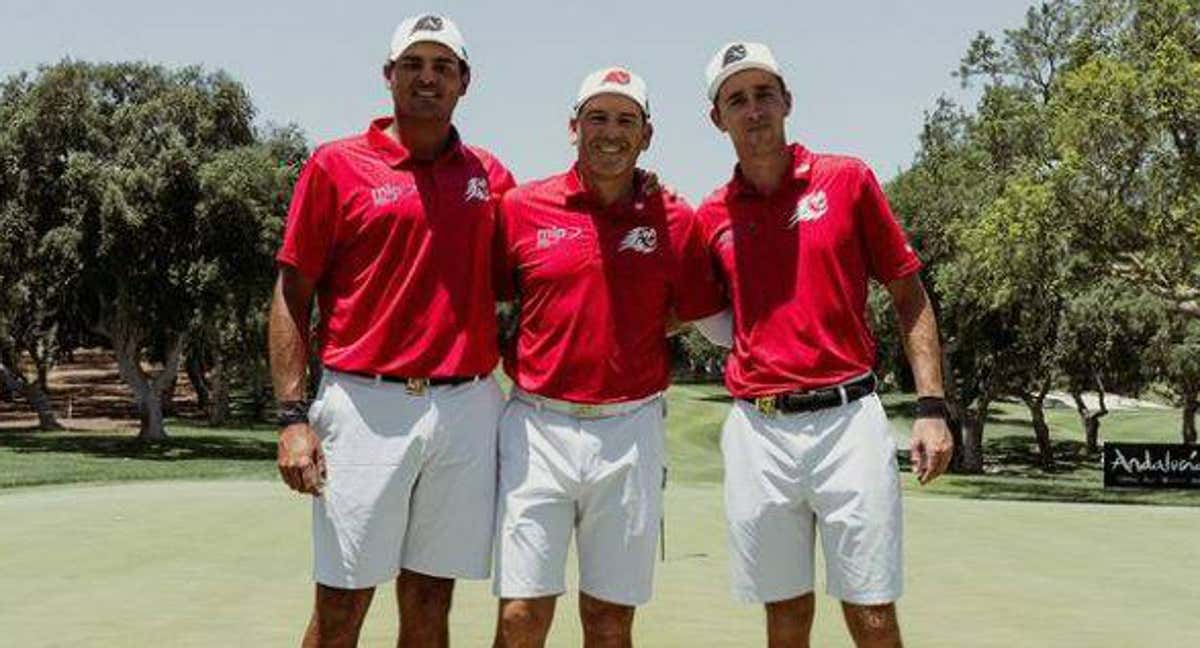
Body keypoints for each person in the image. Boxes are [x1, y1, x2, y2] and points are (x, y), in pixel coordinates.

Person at [695, 42, 954, 647]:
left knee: (871, 614)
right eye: (737, 99)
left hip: (849, 421)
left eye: (764, 94)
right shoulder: (710, 216)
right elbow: (695, 312)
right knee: (785, 618)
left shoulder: (847, 180)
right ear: (718, 119)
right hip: (758, 431)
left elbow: (908, 293)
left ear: (787, 100)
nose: (753, 109)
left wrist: (932, 407)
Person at [268, 14, 515, 647]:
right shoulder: (336, 165)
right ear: (389, 76)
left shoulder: (489, 177)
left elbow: (537, 266)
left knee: (431, 601)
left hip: (465, 405)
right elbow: (292, 295)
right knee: (343, 603)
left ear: (465, 81)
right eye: (414, 65)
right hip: (364, 404)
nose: (428, 78)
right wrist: (293, 417)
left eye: (443, 67)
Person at [490, 67, 725, 648]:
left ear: (647, 135)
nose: (611, 132)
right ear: (573, 127)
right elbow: (491, 299)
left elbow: (693, 308)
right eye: (597, 117)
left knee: (610, 620)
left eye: (626, 120)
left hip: (630, 431)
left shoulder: (674, 218)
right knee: (521, 614)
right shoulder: (520, 207)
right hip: (536, 427)